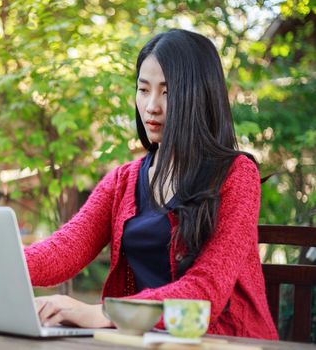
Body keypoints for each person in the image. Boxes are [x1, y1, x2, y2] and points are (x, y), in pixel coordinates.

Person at [24, 29, 279, 340]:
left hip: (223, 342)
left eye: (167, 92)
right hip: (141, 340)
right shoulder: (123, 181)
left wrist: (104, 312)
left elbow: (206, 288)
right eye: (144, 90)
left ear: (199, 96)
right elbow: (64, 251)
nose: (151, 106)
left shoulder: (236, 175)